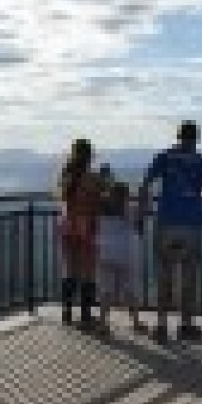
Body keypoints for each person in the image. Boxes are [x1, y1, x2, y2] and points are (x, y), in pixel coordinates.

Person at [139, 120, 202, 342]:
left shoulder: (164, 157)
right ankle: (185, 325)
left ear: (178, 136)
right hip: (191, 224)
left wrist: (142, 211)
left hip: (166, 222)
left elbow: (145, 183)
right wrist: (196, 196)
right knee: (189, 276)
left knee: (164, 274)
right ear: (197, 137)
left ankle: (161, 325)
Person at [56, 138, 103, 326]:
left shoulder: (65, 177)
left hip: (67, 226)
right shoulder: (92, 179)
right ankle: (85, 314)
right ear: (89, 157)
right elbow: (101, 199)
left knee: (70, 270)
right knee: (88, 272)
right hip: (86, 227)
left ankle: (66, 312)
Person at [97, 180, 144, 332]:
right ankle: (136, 322)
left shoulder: (102, 209)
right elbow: (139, 221)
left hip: (105, 252)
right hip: (126, 253)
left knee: (106, 289)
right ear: (126, 196)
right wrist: (145, 196)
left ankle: (103, 323)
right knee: (131, 289)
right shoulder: (129, 209)